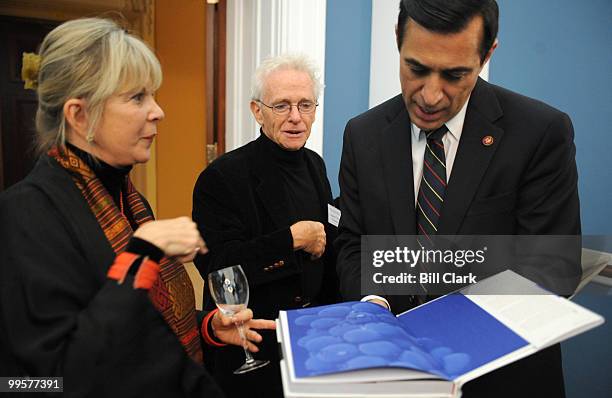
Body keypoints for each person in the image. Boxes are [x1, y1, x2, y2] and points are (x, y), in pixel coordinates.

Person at [0, 18, 275, 397]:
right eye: (136, 97)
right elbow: (47, 379)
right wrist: (142, 254)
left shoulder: (127, 199)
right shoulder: (24, 215)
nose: (158, 111)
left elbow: (140, 322)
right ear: (79, 115)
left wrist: (205, 327)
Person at [335, 1, 581, 397]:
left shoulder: (540, 132)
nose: (430, 96)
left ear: (487, 55)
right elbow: (352, 243)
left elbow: (553, 266)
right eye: (416, 68)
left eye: (454, 75)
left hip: (505, 380)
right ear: (397, 39)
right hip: (397, 377)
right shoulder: (362, 135)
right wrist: (373, 301)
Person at [192, 53, 338, 397]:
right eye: (281, 106)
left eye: (305, 105)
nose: (295, 118)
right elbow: (217, 267)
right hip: (252, 346)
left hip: (310, 338)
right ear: (257, 111)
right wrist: (290, 239)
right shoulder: (222, 177)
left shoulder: (315, 164)